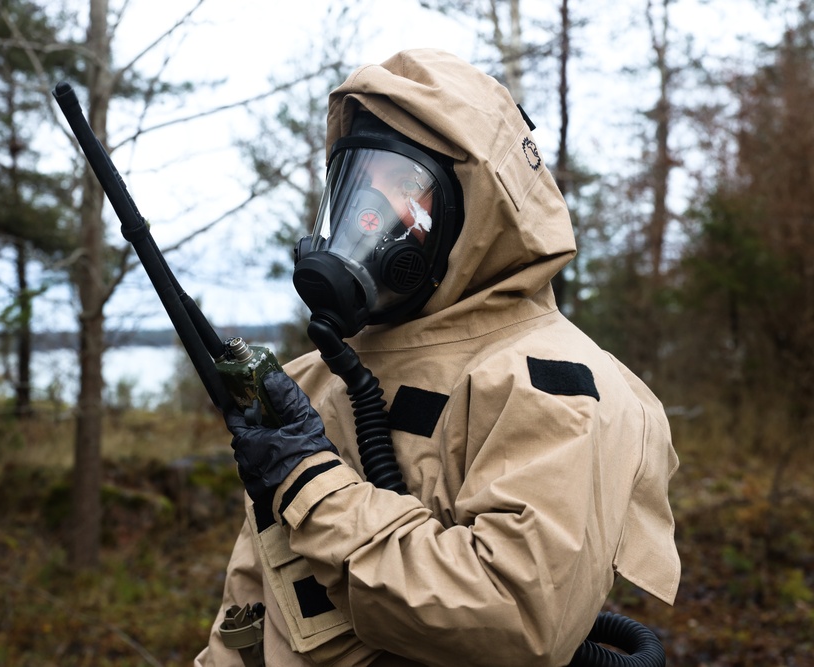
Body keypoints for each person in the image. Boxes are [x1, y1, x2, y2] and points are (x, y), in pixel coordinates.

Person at [194, 48, 680, 667]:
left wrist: (313, 483)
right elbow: (260, 614)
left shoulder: (553, 385)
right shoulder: (314, 380)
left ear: (475, 215)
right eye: (358, 188)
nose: (372, 221)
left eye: (404, 194)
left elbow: (517, 616)